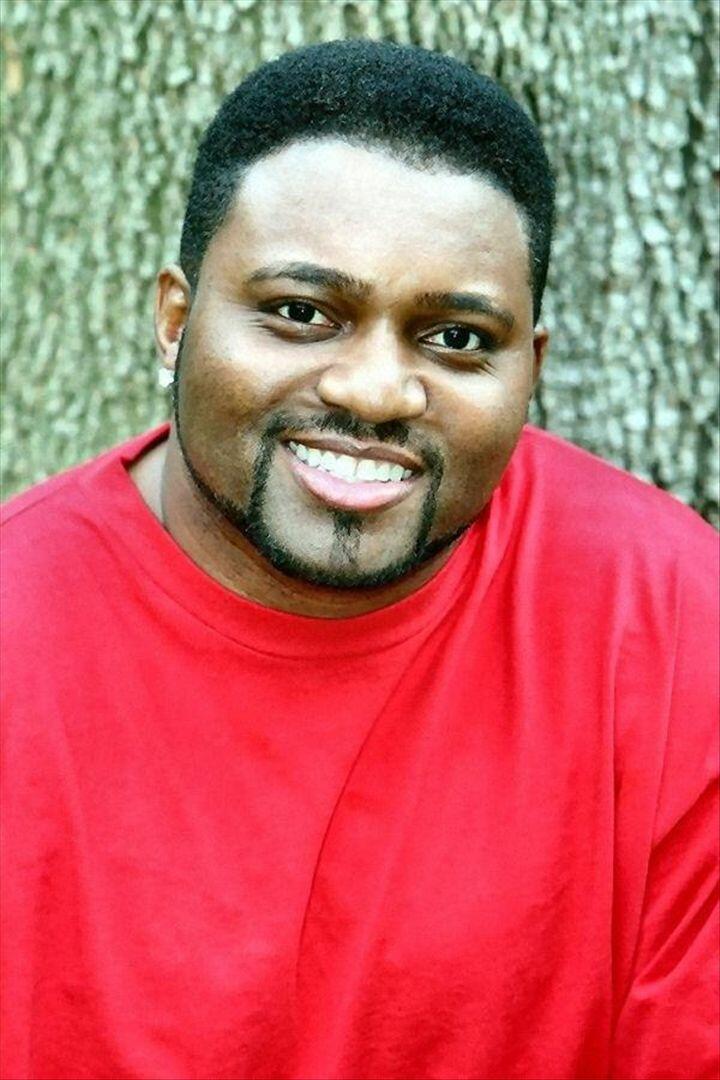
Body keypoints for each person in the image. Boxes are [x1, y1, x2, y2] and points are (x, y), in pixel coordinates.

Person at [1, 38, 717, 1080]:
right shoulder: (19, 638)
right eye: (302, 314)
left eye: (457, 338)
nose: (376, 391)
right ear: (175, 321)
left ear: (530, 369)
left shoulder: (672, 627)